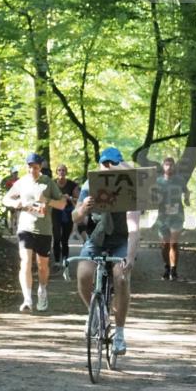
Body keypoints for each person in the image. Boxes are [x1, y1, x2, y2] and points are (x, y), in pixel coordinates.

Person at [72, 146, 140, 355]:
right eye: (105, 163)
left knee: (120, 278)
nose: (108, 167)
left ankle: (119, 333)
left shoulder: (129, 188)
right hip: (97, 239)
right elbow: (75, 218)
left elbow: (134, 226)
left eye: (112, 164)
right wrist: (83, 207)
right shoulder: (88, 185)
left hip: (120, 240)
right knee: (83, 275)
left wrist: (129, 256)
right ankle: (96, 314)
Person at [2, 153, 66, 312]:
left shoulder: (48, 183)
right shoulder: (21, 182)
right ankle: (27, 299)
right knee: (25, 261)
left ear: (40, 167)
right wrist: (15, 203)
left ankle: (42, 290)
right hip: (25, 228)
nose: (32, 170)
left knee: (42, 266)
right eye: (30, 167)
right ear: (27, 167)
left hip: (44, 230)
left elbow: (62, 205)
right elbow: (5, 199)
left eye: (36, 167)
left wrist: (47, 201)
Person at [155, 156, 191, 280]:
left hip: (177, 215)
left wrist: (187, 199)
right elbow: (152, 196)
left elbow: (186, 191)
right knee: (164, 245)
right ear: (163, 167)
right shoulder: (158, 181)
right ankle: (167, 267)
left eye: (171, 165)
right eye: (166, 165)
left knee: (173, 243)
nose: (169, 167)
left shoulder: (180, 180)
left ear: (174, 166)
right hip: (162, 216)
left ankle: (173, 270)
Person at [51, 164, 80, 270]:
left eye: (63, 170)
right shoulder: (52, 183)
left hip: (68, 213)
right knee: (57, 237)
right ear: (56, 172)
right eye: (59, 170)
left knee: (65, 239)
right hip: (56, 212)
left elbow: (78, 200)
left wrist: (70, 198)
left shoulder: (72, 185)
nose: (61, 172)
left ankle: (65, 260)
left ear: (66, 172)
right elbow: (47, 198)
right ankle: (57, 261)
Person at [2, 168, 20, 235]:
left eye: (16, 173)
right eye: (14, 173)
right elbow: (6, 189)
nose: (16, 174)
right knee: (12, 213)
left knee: (17, 213)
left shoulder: (19, 180)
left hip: (18, 198)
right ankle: (11, 227)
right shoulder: (8, 181)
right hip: (11, 199)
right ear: (11, 173)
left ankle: (16, 226)